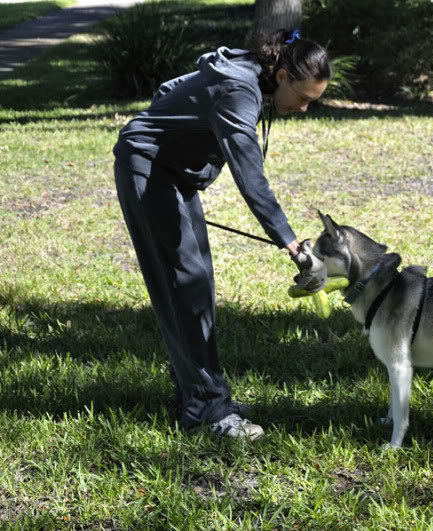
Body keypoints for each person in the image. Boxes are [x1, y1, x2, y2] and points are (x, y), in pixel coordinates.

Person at [113, 28, 329, 440]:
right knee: (184, 287)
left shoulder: (248, 73)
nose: (303, 109)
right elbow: (251, 177)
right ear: (281, 75)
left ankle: (200, 393)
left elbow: (172, 89)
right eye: (303, 98)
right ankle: (206, 411)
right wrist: (290, 243)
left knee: (196, 286)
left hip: (173, 177)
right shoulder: (239, 90)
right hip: (150, 172)